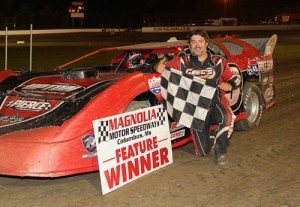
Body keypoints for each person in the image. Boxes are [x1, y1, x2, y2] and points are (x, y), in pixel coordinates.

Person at [154, 29, 240, 165]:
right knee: (202, 152)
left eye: (200, 41)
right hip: (194, 112)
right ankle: (213, 137)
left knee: (227, 117)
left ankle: (221, 152)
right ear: (189, 45)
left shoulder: (218, 62)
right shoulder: (181, 62)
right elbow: (161, 68)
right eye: (193, 42)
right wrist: (157, 66)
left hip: (215, 103)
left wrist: (230, 84)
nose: (197, 45)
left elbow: (236, 79)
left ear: (206, 44)